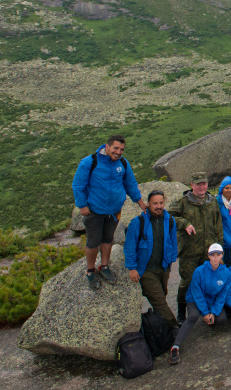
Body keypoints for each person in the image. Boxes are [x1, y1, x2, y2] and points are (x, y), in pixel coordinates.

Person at [72, 134, 147, 290]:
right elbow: (78, 185)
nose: (119, 152)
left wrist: (140, 203)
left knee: (108, 239)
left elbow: (130, 184)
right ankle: (91, 270)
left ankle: (104, 266)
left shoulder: (123, 164)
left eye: (122, 149)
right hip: (95, 210)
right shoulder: (89, 162)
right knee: (93, 241)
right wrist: (82, 205)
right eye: (116, 148)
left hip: (114, 210)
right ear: (107, 147)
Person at [167, 172, 223, 325]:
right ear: (191, 185)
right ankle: (181, 312)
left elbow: (218, 223)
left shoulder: (212, 201)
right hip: (190, 250)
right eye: (198, 184)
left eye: (204, 183)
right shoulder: (183, 202)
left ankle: (206, 309)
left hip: (209, 251)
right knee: (187, 281)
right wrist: (184, 223)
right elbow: (168, 217)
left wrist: (219, 246)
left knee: (208, 280)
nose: (201, 187)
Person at [124, 190, 178, 329]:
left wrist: (171, 259)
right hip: (146, 270)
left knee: (162, 297)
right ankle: (174, 327)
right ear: (148, 204)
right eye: (155, 203)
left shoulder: (170, 220)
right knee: (159, 301)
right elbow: (129, 246)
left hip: (163, 267)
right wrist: (132, 268)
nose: (158, 206)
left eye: (161, 203)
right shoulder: (138, 223)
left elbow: (173, 241)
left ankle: (160, 327)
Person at [169, 243, 231, 365]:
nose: (215, 258)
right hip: (194, 298)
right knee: (193, 316)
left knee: (221, 318)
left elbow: (222, 295)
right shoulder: (199, 271)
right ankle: (176, 346)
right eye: (213, 255)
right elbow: (196, 293)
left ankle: (208, 319)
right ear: (209, 256)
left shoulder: (226, 273)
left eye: (218, 255)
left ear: (222, 255)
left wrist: (213, 312)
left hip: (211, 300)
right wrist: (205, 312)